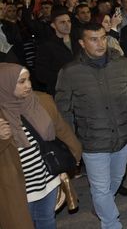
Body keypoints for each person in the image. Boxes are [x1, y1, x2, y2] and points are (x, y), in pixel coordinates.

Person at [56, 22, 127, 229]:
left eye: (103, 37)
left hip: (124, 137)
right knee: (101, 188)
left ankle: (102, 206)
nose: (100, 43)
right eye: (93, 39)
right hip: (92, 142)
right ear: (81, 43)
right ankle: (111, 223)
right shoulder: (70, 72)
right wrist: (72, 141)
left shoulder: (122, 63)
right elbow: (63, 110)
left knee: (116, 180)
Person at [0, 63, 82, 229]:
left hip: (48, 178)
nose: (28, 85)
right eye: (21, 82)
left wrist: (75, 154)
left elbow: (62, 130)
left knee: (47, 220)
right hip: (18, 188)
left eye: (29, 79)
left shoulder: (42, 101)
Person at [34, 6, 74, 95]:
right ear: (53, 25)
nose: (67, 25)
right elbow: (41, 75)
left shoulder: (79, 41)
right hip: (61, 93)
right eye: (62, 22)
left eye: (69, 21)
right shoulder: (46, 47)